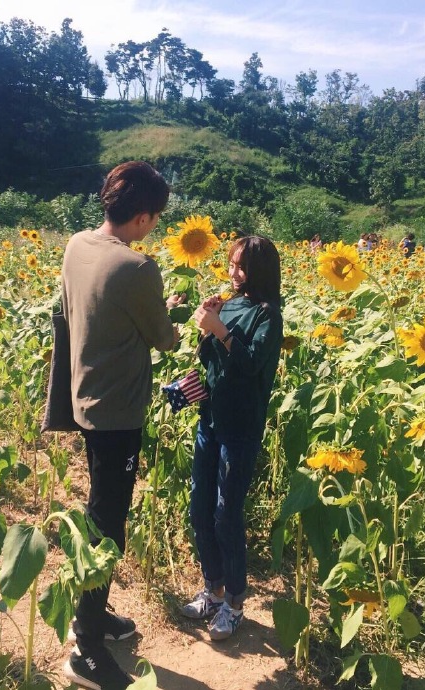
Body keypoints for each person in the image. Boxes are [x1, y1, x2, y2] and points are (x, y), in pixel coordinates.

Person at [61, 161, 182, 690]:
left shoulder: (77, 244)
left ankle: (94, 613)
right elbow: (166, 340)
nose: (154, 226)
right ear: (142, 216)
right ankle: (85, 646)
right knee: (108, 523)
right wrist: (171, 316)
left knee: (98, 510)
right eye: (154, 217)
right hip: (117, 413)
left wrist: (155, 309)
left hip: (85, 396)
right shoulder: (138, 268)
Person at [181, 236, 283, 641]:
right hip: (210, 419)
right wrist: (207, 327)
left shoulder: (267, 315)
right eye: (231, 264)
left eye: (241, 266)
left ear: (259, 271)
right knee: (200, 506)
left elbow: (252, 364)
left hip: (241, 426)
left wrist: (221, 331)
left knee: (227, 513)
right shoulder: (230, 303)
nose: (233, 272)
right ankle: (213, 587)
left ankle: (236, 602)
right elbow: (211, 362)